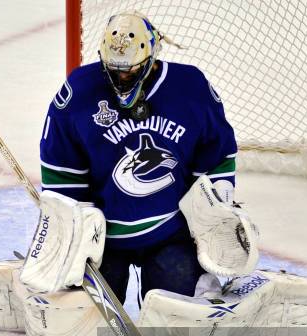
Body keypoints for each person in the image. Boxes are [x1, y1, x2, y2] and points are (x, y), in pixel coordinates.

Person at [38, 11, 238, 304]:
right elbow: (62, 172)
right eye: (114, 69)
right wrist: (72, 230)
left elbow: (217, 154)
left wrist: (212, 213)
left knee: (178, 323)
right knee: (85, 321)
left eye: (130, 71)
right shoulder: (78, 93)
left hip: (171, 233)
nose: (121, 78)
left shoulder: (190, 88)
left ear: (151, 58)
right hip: (103, 241)